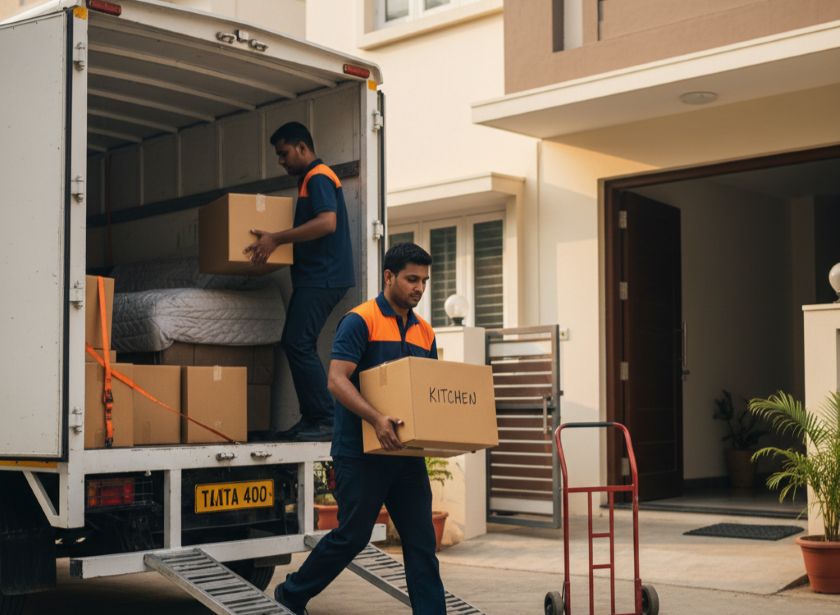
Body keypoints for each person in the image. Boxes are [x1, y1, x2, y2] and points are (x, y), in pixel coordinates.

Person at [274, 243, 446, 615]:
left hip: (406, 456)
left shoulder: (425, 333)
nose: (419, 288)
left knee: (421, 542)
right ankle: (292, 593)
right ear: (389, 277)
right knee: (352, 537)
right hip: (361, 453)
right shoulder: (360, 320)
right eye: (411, 279)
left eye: (424, 281)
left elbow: (426, 393)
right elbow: (337, 381)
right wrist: (375, 418)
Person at [245, 122, 355, 442]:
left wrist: (276, 239)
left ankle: (324, 419)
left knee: (297, 343)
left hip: (323, 277)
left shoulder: (317, 176)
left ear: (302, 148)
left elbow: (326, 222)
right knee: (297, 343)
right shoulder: (312, 179)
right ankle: (314, 418)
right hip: (319, 276)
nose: (281, 161)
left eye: (284, 153)